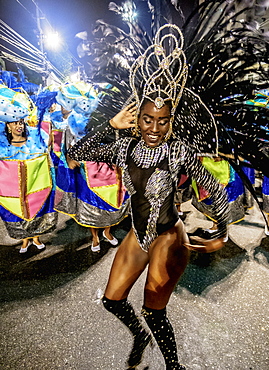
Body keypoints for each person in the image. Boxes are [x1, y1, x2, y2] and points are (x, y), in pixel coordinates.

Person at [67, 25, 229, 369]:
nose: (154, 129)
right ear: (137, 119)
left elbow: (213, 187)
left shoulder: (178, 152)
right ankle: (139, 337)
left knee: (154, 311)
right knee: (113, 300)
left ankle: (174, 366)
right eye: (147, 120)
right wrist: (110, 126)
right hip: (138, 236)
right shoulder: (124, 148)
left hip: (168, 238)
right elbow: (77, 152)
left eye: (162, 121)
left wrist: (223, 230)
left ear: (171, 123)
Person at [0, 85, 58, 254]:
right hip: (13, 187)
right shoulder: (2, 143)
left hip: (34, 181)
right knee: (19, 214)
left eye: (20, 122)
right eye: (14, 123)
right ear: (7, 126)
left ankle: (36, 238)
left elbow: (42, 133)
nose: (18, 126)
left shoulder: (33, 137)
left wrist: (42, 105)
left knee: (37, 211)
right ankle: (25, 241)